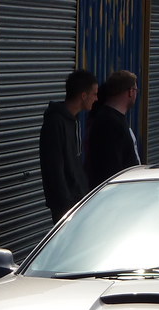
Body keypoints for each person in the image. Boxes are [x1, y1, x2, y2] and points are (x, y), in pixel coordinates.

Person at [39, 69, 98, 223]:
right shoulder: (55, 123)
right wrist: (66, 205)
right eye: (94, 94)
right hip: (66, 206)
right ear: (83, 96)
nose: (96, 98)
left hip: (78, 200)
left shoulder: (73, 120)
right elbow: (54, 168)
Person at [85, 70, 141, 188]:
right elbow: (112, 169)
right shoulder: (110, 123)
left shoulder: (112, 119)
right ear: (130, 92)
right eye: (136, 90)